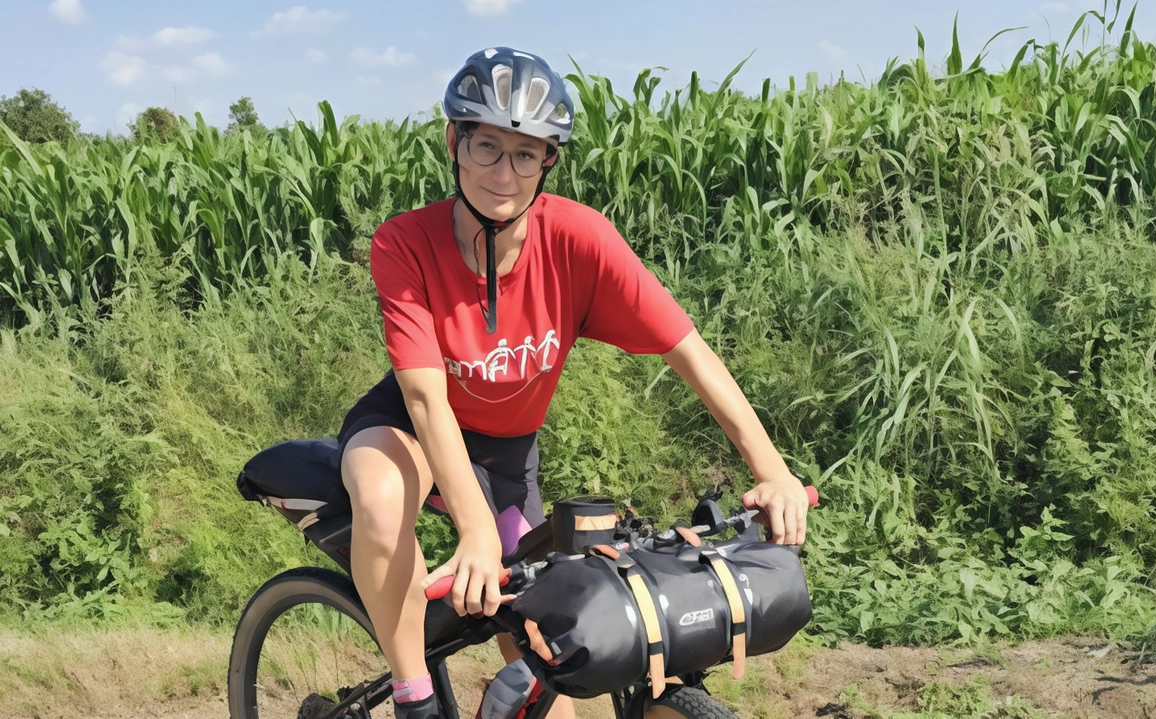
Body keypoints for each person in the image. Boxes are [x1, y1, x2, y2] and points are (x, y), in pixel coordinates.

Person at [337, 46, 812, 719]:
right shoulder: (404, 243)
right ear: (453, 141)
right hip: (410, 427)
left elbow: (689, 351)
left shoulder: (579, 241)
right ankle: (413, 695)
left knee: (542, 647)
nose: (505, 172)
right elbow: (424, 396)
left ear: (549, 160)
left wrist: (773, 470)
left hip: (505, 452)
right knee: (383, 502)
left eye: (526, 153)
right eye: (487, 146)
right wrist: (472, 529)